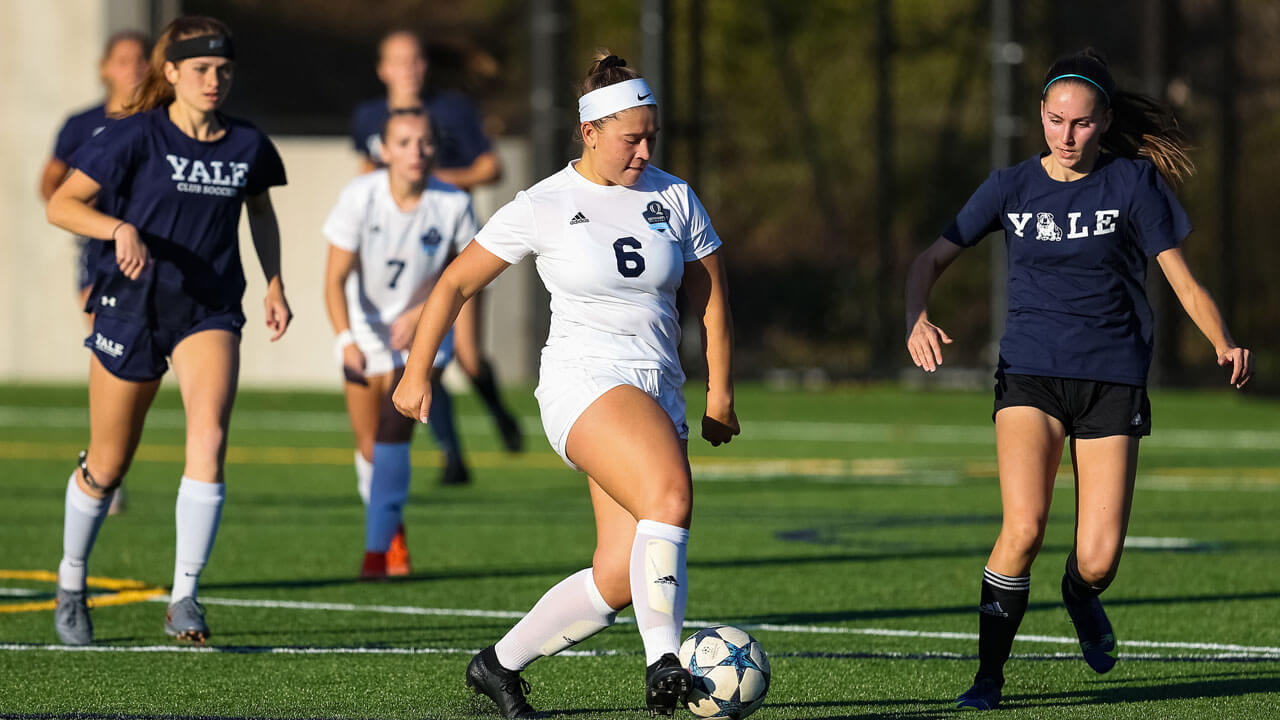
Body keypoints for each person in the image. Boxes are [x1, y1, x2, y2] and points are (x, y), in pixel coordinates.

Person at [392, 51, 739, 718]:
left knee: (617, 573)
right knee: (669, 495)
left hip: (657, 387)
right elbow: (456, 283)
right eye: (629, 138)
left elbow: (713, 301)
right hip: (583, 381)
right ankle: (663, 661)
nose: (642, 151)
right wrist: (416, 374)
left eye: (650, 138)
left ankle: (497, 666)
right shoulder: (545, 203)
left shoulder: (675, 196)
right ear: (589, 133)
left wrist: (719, 394)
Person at [904, 49, 1253, 710]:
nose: (1067, 136)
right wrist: (916, 316)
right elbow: (931, 258)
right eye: (1056, 119)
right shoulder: (1009, 186)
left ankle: (1079, 594)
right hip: (1030, 374)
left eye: (1083, 124)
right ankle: (988, 678)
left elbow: (1180, 276)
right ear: (1039, 114)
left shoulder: (1133, 184)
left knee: (1096, 560)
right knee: (1024, 526)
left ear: (1105, 122)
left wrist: (1223, 339)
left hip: (1111, 380)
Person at [45, 15, 291, 646]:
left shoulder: (247, 145)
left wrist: (273, 280)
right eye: (202, 69)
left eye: (224, 70)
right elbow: (62, 203)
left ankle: (185, 595)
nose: (215, 80)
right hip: (131, 308)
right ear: (174, 73)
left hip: (207, 310)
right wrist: (117, 229)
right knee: (107, 463)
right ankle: (72, 582)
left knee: (208, 438)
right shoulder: (133, 136)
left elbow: (259, 211)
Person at [323, 107, 480, 579]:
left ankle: (376, 555)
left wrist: (420, 315)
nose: (417, 151)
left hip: (425, 337)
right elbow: (333, 280)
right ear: (385, 150)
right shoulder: (360, 196)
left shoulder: (453, 203)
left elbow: (468, 276)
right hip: (365, 333)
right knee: (370, 448)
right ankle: (390, 530)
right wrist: (346, 339)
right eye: (406, 142)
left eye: (425, 142)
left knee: (393, 434)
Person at [353, 28, 523, 458]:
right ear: (382, 69)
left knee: (465, 356)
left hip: (453, 245)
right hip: (399, 249)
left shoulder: (451, 111)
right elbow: (367, 175)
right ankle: (453, 456)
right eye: (398, 60)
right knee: (417, 352)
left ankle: (501, 415)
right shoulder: (369, 117)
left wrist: (437, 181)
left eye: (415, 60)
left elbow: (490, 166)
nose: (408, 69)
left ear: (425, 67)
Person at [39, 30, 152, 517]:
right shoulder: (83, 124)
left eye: (142, 59)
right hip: (102, 253)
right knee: (110, 347)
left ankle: (109, 460)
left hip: (158, 254)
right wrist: (78, 209)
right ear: (105, 67)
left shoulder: (160, 123)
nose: (134, 68)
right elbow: (52, 179)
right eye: (124, 60)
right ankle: (104, 465)